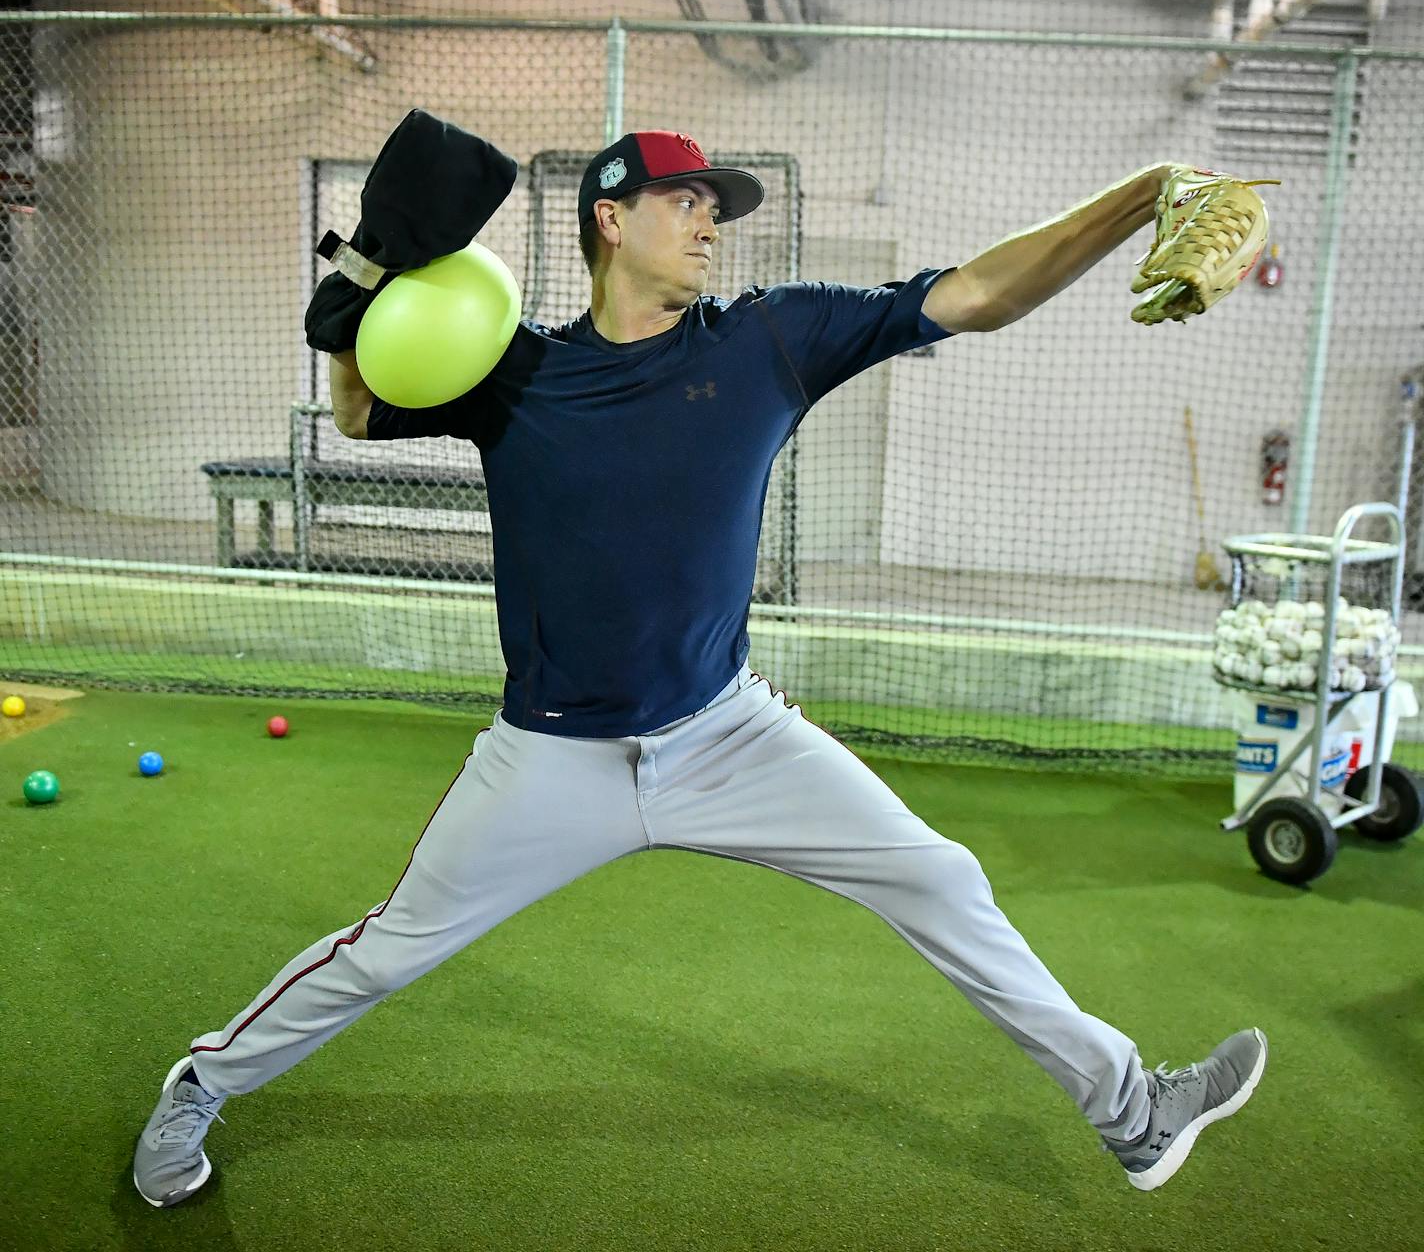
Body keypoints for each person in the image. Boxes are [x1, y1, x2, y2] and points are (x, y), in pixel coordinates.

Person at [133, 130, 1266, 1208]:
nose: (709, 222)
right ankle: (198, 1086)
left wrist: (1141, 193)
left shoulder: (768, 337)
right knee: (385, 951)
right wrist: (346, 319)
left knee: (940, 877)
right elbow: (365, 406)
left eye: (715, 207)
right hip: (550, 754)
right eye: (685, 201)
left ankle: (1134, 1114)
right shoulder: (513, 370)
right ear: (609, 218)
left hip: (729, 734)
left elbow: (976, 295)